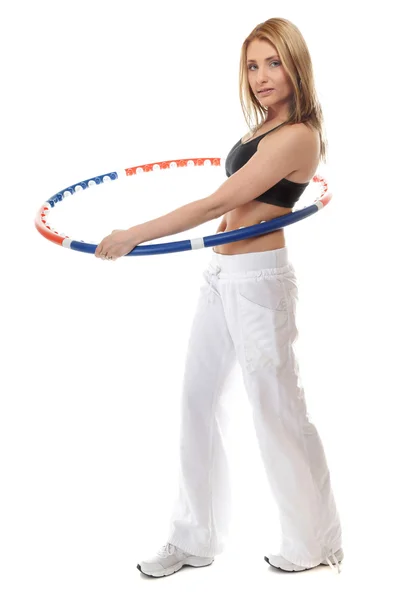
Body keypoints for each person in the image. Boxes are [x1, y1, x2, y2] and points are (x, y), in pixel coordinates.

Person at [137, 18, 344, 577]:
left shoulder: (298, 134)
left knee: (277, 412)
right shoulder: (262, 126)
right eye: (252, 65)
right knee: (195, 399)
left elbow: (216, 205)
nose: (260, 76)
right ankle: (192, 538)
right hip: (220, 275)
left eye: (273, 62)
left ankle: (313, 543)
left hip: (258, 280)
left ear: (295, 64)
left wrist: (133, 234)